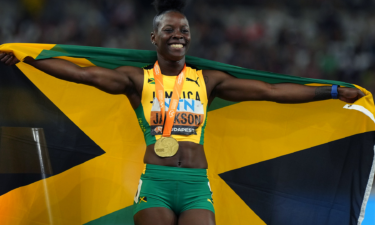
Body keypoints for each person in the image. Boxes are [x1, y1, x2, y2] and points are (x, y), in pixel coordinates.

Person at [0, 0, 365, 225]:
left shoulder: (208, 81)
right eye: (169, 29)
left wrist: (331, 90)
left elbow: (272, 92)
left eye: (184, 29)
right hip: (156, 184)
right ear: (154, 38)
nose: (179, 34)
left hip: (196, 187)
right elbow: (81, 74)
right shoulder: (137, 80)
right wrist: (30, 59)